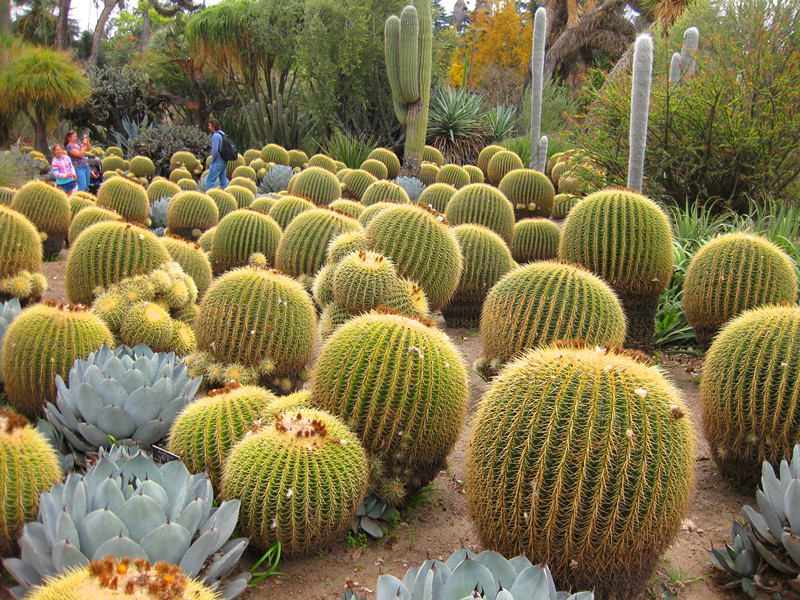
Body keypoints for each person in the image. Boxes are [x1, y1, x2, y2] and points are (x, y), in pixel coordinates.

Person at [206, 118, 228, 190]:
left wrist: (212, 160)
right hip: (224, 160)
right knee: (223, 179)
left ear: (214, 126)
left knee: (209, 180)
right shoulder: (222, 133)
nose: (209, 127)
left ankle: (210, 195)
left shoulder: (215, 135)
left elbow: (215, 150)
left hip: (217, 161)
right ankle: (225, 193)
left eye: (210, 126)